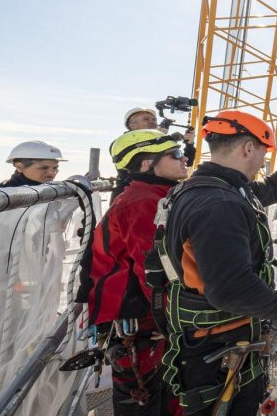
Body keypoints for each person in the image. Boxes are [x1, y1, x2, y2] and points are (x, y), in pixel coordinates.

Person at [156, 110, 277, 415]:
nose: (263, 161)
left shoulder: (210, 188)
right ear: (248, 148)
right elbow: (231, 290)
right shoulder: (220, 205)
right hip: (218, 349)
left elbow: (272, 190)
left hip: (216, 345)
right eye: (262, 153)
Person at [89, 130, 187, 415]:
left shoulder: (160, 195)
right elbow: (154, 271)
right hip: (144, 323)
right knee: (144, 399)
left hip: (151, 321)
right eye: (176, 155)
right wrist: (183, 322)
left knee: (166, 394)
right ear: (146, 163)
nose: (185, 160)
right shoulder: (142, 202)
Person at [0, 141, 65, 187]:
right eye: (43, 168)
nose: (51, 173)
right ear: (20, 167)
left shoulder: (53, 191)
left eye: (55, 168)